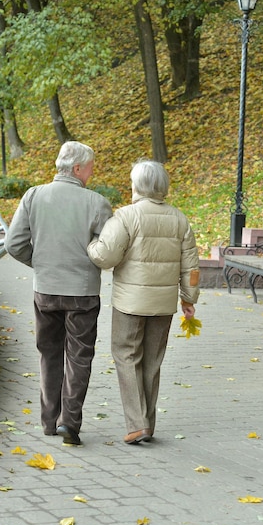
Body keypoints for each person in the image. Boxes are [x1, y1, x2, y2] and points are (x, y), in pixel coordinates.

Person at [5, 141, 113, 446]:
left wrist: (40, 264)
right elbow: (108, 251)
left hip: (46, 291)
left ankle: (49, 421)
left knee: (49, 354)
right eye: (91, 166)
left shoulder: (33, 196)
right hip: (83, 294)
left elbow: (13, 245)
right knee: (79, 357)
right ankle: (70, 422)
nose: (93, 171)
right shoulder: (97, 203)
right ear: (77, 169)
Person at [87, 159, 199, 444]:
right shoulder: (180, 219)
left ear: (137, 185)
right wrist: (188, 299)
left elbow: (105, 256)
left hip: (130, 304)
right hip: (163, 305)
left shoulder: (125, 217)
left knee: (126, 356)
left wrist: (91, 245)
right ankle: (147, 423)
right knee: (152, 362)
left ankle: (137, 425)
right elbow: (191, 268)